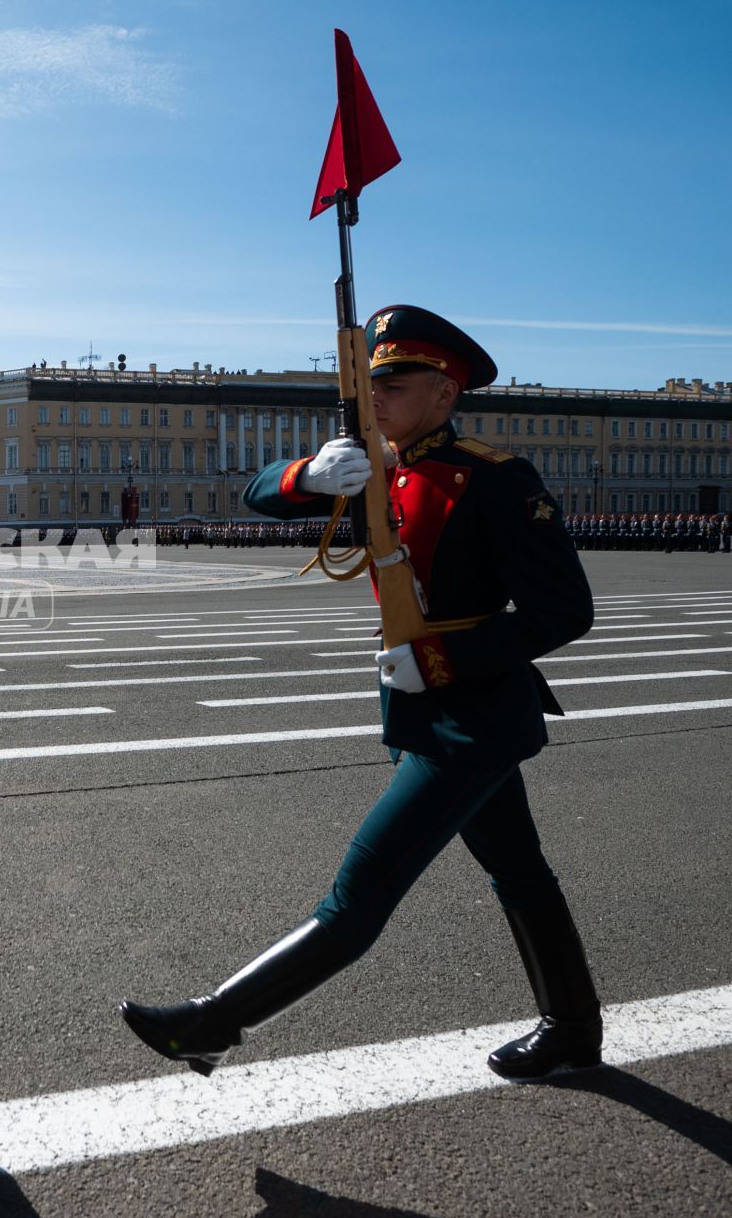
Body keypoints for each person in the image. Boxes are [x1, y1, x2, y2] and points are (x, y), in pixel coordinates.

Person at [119, 305, 602, 1082]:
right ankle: (573, 1027)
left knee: (358, 896)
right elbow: (255, 495)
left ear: (445, 393)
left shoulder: (495, 478)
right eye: (370, 383)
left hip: (469, 719)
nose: (375, 398)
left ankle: (212, 1023)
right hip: (436, 712)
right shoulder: (379, 463)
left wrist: (439, 661)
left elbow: (564, 611)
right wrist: (307, 475)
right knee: (519, 871)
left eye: (395, 385)